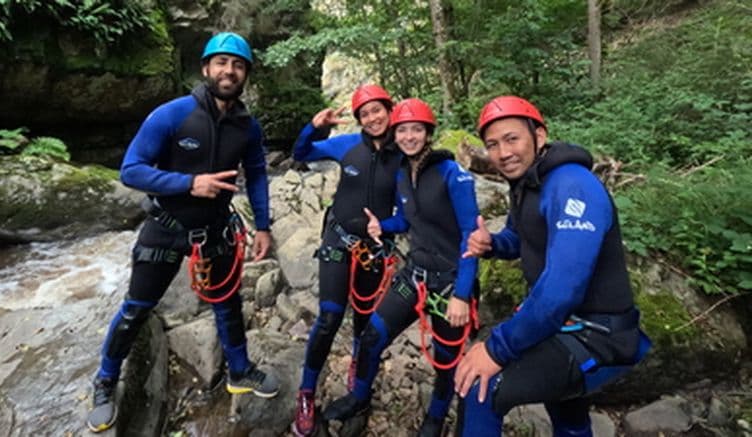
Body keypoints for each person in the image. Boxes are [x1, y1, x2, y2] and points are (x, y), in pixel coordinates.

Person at [86, 32, 279, 433]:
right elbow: (131, 170)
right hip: (166, 227)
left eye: (238, 65)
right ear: (206, 69)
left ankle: (239, 370)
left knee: (227, 303)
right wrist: (190, 183)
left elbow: (258, 174)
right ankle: (106, 379)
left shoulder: (248, 127)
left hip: (216, 230)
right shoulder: (171, 115)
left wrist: (263, 226)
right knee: (137, 308)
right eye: (222, 63)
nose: (229, 71)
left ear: (246, 76)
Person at [453, 96, 651, 436]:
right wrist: (492, 246)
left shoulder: (572, 186)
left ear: (539, 136)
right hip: (564, 325)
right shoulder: (527, 184)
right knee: (567, 412)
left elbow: (562, 290)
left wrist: (498, 349)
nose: (503, 152)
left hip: (599, 334)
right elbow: (520, 239)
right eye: (493, 145)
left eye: (512, 139)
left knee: (481, 387)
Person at [323, 98, 480, 437]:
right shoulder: (402, 175)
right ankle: (359, 397)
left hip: (450, 284)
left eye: (416, 130)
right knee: (371, 337)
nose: (409, 137)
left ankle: (435, 420)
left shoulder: (453, 175)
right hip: (415, 275)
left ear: (428, 133)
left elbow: (472, 236)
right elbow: (408, 220)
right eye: (403, 130)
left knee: (445, 362)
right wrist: (384, 226)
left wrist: (463, 295)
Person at [291, 84, 403, 436]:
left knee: (364, 319)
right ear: (359, 119)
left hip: (375, 245)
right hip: (338, 238)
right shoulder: (346, 145)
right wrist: (315, 126)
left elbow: (413, 212)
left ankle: (358, 363)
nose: (372, 117)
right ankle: (307, 393)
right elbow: (301, 153)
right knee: (329, 316)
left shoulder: (404, 152)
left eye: (377, 110)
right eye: (365, 113)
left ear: (390, 109)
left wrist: (385, 226)